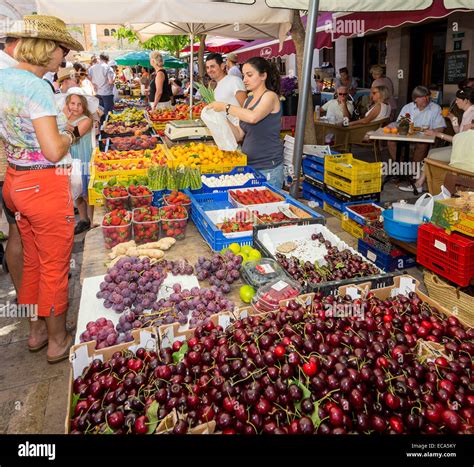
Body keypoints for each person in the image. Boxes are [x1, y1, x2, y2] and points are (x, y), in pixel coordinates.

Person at [0, 14, 83, 362]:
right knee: (54, 265)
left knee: (32, 262)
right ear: (48, 48)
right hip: (44, 184)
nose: (62, 57)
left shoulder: (3, 79)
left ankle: (35, 330)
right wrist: (76, 131)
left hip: (16, 180)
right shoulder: (36, 87)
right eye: (61, 49)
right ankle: (57, 339)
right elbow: (53, 149)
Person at [208, 57, 284, 189]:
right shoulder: (248, 101)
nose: (244, 80)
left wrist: (226, 107)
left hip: (268, 167)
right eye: (244, 75)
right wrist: (221, 117)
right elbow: (239, 135)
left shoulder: (270, 96)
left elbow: (253, 117)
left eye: (249, 75)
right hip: (249, 166)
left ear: (263, 75)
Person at [399, 87, 474, 192]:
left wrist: (437, 134)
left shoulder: (471, 114)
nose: (456, 102)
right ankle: (419, 182)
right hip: (460, 148)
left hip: (464, 152)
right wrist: (453, 118)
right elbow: (459, 134)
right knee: (431, 152)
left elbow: (459, 140)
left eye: (458, 100)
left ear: (466, 100)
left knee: (431, 156)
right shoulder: (467, 112)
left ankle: (419, 183)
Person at [0, 35, 23, 296]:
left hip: (14, 168)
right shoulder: (11, 75)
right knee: (19, 232)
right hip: (13, 168)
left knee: (18, 231)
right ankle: (33, 306)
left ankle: (27, 298)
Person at [58, 87, 98, 233]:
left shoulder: (86, 120)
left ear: (84, 106)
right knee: (76, 192)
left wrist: (62, 119)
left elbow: (74, 134)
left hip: (83, 158)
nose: (75, 107)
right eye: (72, 103)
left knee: (87, 192)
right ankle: (83, 219)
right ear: (67, 104)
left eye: (79, 104)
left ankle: (93, 220)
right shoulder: (62, 119)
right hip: (68, 158)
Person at [388, 85, 446, 163]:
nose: (426, 99)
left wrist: (433, 131)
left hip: (425, 137)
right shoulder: (407, 107)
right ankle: (401, 167)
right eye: (422, 97)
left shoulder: (436, 108)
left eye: (427, 96)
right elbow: (399, 124)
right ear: (415, 99)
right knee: (391, 142)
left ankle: (414, 169)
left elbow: (441, 127)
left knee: (422, 144)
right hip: (407, 136)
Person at [205, 53, 247, 124]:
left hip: (237, 131)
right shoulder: (216, 86)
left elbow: (245, 108)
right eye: (207, 67)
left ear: (222, 66)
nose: (209, 70)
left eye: (212, 66)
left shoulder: (234, 81)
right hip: (224, 131)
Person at [88, 53, 115, 120]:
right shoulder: (108, 68)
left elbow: (88, 77)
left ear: (100, 58)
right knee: (108, 114)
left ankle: (102, 128)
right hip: (107, 93)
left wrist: (93, 84)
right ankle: (108, 128)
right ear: (107, 60)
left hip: (97, 93)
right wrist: (114, 76)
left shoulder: (92, 68)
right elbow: (111, 82)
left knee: (100, 112)